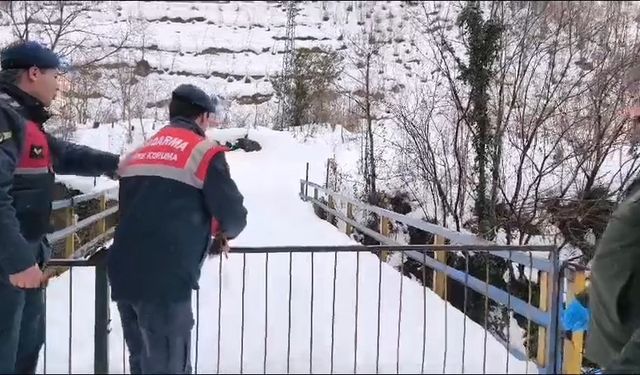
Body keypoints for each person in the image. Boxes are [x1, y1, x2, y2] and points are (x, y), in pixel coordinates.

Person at [107, 83, 247, 374]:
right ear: (203, 118)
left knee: (142, 363)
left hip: (124, 274)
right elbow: (231, 213)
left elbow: (136, 208)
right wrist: (223, 234)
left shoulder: (140, 151)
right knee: (169, 365)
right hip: (166, 281)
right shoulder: (204, 151)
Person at [0, 41, 120, 374]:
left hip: (25, 256)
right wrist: (19, 261)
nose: (58, 84)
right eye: (55, 75)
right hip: (9, 264)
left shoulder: (24, 120)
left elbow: (63, 153)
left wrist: (118, 163)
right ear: (33, 73)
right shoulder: (3, 116)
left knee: (24, 351)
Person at [586, 106, 640, 374]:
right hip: (616, 350)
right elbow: (627, 255)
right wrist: (589, 297)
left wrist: (625, 368)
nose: (633, 124)